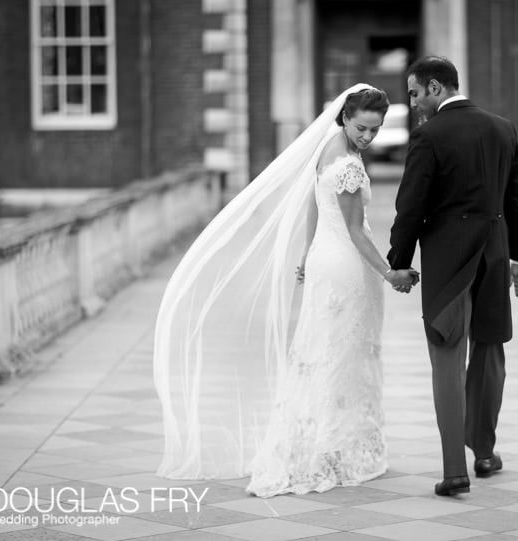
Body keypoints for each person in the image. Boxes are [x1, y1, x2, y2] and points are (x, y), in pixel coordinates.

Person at [153, 84, 417, 497]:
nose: (368, 137)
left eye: (376, 130)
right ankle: (333, 451)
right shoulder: (346, 162)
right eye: (363, 128)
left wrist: (308, 254)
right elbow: (353, 231)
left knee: (323, 352)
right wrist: (389, 273)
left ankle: (331, 445)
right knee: (342, 355)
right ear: (345, 118)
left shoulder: (329, 148)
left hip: (325, 260)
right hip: (346, 265)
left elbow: (315, 204)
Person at [387, 56, 518, 496]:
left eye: (414, 93)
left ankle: (456, 471)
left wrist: (398, 261)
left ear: (435, 87)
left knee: (448, 358)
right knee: (489, 354)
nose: (412, 103)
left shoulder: (429, 135)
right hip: (493, 250)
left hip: (448, 260)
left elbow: (410, 206)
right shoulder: (502, 128)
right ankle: (485, 455)